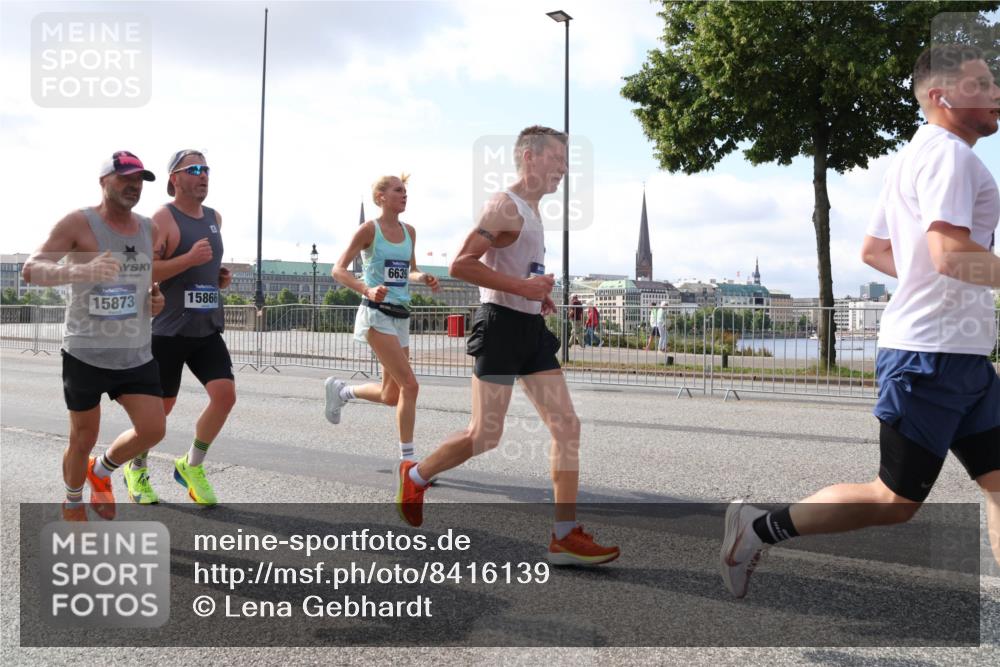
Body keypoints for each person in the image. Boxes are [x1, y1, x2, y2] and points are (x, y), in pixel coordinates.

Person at [721, 45, 1000, 599]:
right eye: (983, 84)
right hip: (931, 355)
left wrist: (927, 277)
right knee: (892, 502)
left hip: (962, 354)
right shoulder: (949, 156)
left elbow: (875, 250)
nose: (996, 93)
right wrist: (938, 273)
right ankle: (757, 528)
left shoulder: (913, 157)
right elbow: (947, 251)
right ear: (941, 97)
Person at [394, 126, 620, 566]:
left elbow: (519, 271)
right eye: (557, 158)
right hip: (498, 329)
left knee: (567, 427)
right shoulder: (504, 206)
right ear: (529, 157)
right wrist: (521, 287)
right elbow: (460, 264)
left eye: (567, 161)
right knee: (485, 436)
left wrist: (536, 293)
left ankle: (564, 535)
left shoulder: (533, 212)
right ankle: (416, 475)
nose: (564, 169)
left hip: (530, 331)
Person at [22, 151, 166, 521]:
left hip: (135, 352)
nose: (134, 186)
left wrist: (154, 297)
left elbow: (143, 277)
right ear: (104, 181)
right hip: (86, 353)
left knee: (153, 429)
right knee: (82, 437)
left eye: (140, 180)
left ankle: (100, 471)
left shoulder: (149, 228)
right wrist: (81, 273)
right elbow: (31, 270)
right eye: (126, 178)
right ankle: (72, 501)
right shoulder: (78, 223)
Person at [324, 174, 440, 463]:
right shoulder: (368, 230)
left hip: (401, 316)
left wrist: (421, 276)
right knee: (411, 386)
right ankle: (409, 464)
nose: (404, 195)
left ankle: (342, 391)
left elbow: (409, 270)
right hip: (376, 315)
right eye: (398, 190)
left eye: (405, 191)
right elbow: (338, 270)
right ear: (381, 198)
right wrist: (366, 288)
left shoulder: (409, 231)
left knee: (391, 395)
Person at [148, 149, 235, 506]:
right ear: (174, 178)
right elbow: (148, 270)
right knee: (157, 416)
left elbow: (203, 267)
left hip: (206, 327)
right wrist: (188, 260)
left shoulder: (214, 217)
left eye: (207, 169)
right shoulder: (162, 219)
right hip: (168, 331)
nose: (203, 175)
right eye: (195, 169)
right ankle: (136, 467)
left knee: (225, 397)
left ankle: (191, 465)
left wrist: (217, 277)